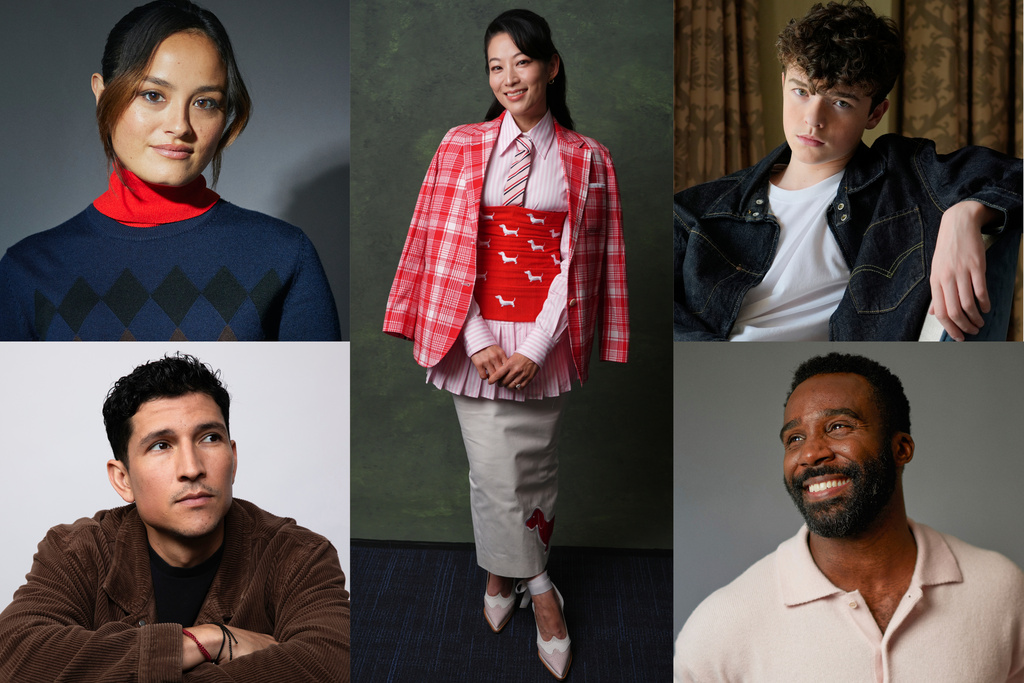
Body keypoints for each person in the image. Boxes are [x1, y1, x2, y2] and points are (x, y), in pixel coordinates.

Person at [383, 9, 629, 679]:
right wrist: (480, 338)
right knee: (494, 474)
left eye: (521, 62)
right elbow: (441, 246)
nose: (508, 78)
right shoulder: (460, 145)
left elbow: (579, 264)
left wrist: (540, 344)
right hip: (474, 332)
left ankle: (499, 574)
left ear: (551, 66)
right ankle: (541, 589)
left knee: (535, 468)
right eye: (495, 66)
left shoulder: (588, 157)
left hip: (545, 336)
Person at [673, 0, 1022, 341]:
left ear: (874, 114)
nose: (813, 119)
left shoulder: (903, 178)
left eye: (840, 102)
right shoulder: (697, 210)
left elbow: (1011, 174)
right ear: (783, 85)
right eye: (801, 92)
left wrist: (966, 214)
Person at [0, 0, 340, 341]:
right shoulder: (26, 270)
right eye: (153, 95)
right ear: (102, 95)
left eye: (205, 102)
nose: (180, 126)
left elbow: (318, 394)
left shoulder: (283, 255)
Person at [674, 352, 1024, 682]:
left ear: (901, 448)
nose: (810, 453)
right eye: (795, 438)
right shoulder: (720, 628)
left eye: (838, 427)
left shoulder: (1002, 589)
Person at [0, 354, 351, 680]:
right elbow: (15, 654)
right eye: (161, 445)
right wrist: (208, 641)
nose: (192, 468)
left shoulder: (299, 555)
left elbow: (333, 664)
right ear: (123, 480)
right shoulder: (75, 550)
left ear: (233, 459)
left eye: (209, 438)